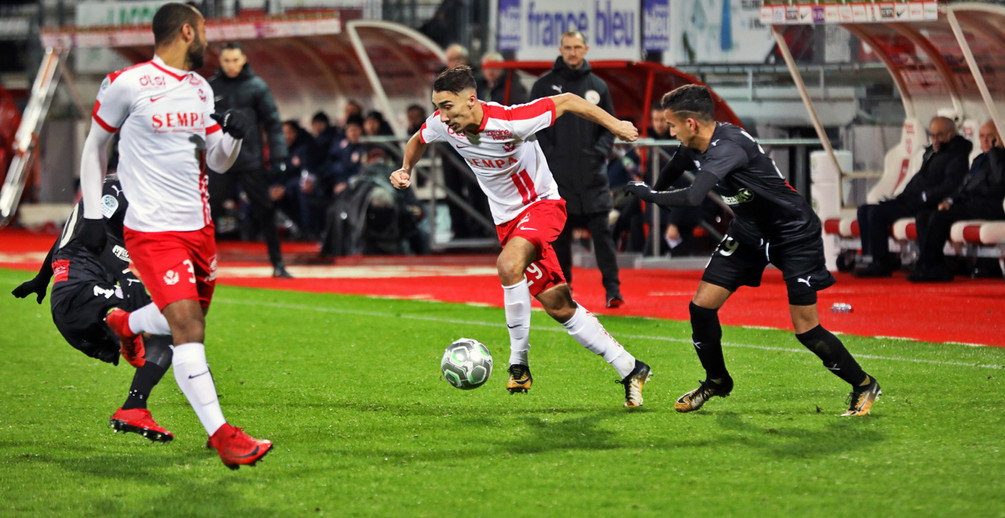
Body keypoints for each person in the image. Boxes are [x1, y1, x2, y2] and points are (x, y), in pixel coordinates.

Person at [76, 2, 273, 469]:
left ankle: (125, 323)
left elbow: (218, 160)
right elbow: (93, 145)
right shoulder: (128, 83)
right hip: (152, 230)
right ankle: (223, 435)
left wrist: (235, 135)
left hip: (199, 231)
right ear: (187, 31)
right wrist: (90, 214)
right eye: (204, 30)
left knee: (178, 320)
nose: (209, 39)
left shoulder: (201, 89)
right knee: (189, 327)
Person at [390, 66, 652, 407]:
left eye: (447, 106)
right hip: (508, 223)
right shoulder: (443, 124)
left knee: (508, 264)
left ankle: (519, 365)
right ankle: (631, 367)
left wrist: (616, 125)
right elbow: (417, 140)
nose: (441, 115)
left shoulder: (512, 121)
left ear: (471, 100)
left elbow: (569, 101)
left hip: (542, 207)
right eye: (437, 106)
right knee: (559, 306)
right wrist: (406, 168)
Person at [624, 84, 881, 416]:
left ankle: (863, 383)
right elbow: (675, 165)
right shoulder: (694, 143)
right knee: (701, 308)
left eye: (672, 125)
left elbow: (691, 197)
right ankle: (717, 380)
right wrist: (655, 188)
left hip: (793, 234)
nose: (669, 131)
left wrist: (649, 195)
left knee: (806, 328)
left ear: (692, 124)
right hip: (748, 234)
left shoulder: (728, 148)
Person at [12, 173, 177, 442]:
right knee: (172, 325)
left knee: (173, 331)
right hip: (80, 293)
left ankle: (200, 420)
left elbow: (71, 234)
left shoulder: (125, 188)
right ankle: (137, 404)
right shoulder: (114, 188)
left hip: (78, 300)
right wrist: (127, 274)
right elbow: (90, 235)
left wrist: (41, 280)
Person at [529, 30, 623, 308]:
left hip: (593, 176)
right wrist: (551, 156)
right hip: (558, 178)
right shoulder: (544, 85)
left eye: (577, 47)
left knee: (603, 236)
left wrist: (600, 152)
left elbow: (610, 124)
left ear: (586, 49)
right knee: (560, 238)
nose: (572, 52)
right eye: (568, 47)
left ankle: (613, 291)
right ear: (560, 48)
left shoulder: (598, 86)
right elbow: (534, 125)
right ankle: (564, 290)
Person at [208, 41, 292, 278]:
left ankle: (278, 264)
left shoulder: (257, 87)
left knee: (265, 211)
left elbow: (273, 123)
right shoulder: (210, 87)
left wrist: (279, 157)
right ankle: (199, 265)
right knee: (206, 214)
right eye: (226, 60)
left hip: (249, 161)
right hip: (219, 161)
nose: (231, 65)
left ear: (243, 59)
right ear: (220, 61)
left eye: (235, 60)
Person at [853, 116, 972, 277]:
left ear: (951, 134)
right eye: (933, 135)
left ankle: (881, 263)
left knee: (876, 213)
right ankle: (872, 258)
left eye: (940, 135)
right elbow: (921, 178)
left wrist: (925, 196)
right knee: (864, 210)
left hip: (923, 202)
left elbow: (950, 184)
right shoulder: (934, 153)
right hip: (910, 198)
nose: (935, 139)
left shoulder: (956, 155)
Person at [910, 120, 1005, 282]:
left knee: (940, 218)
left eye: (991, 136)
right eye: (982, 136)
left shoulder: (1000, 158)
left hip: (988, 207)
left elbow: (1000, 181)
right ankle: (926, 264)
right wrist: (951, 201)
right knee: (924, 215)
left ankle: (934, 267)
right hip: (970, 204)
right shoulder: (979, 160)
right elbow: (965, 186)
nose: (985, 140)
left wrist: (997, 150)